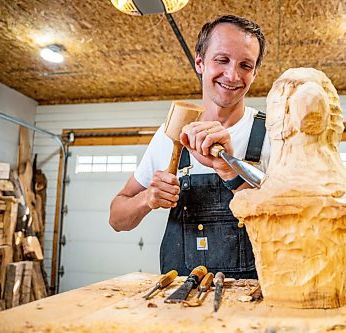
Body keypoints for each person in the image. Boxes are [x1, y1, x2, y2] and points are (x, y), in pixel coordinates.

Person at [109, 15, 269, 279]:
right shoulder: (169, 135)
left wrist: (229, 169)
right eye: (222, 60)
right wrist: (147, 198)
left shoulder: (270, 133)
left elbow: (293, 220)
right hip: (180, 300)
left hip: (249, 302)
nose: (232, 75)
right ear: (199, 62)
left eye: (245, 65)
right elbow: (117, 218)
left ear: (254, 73)